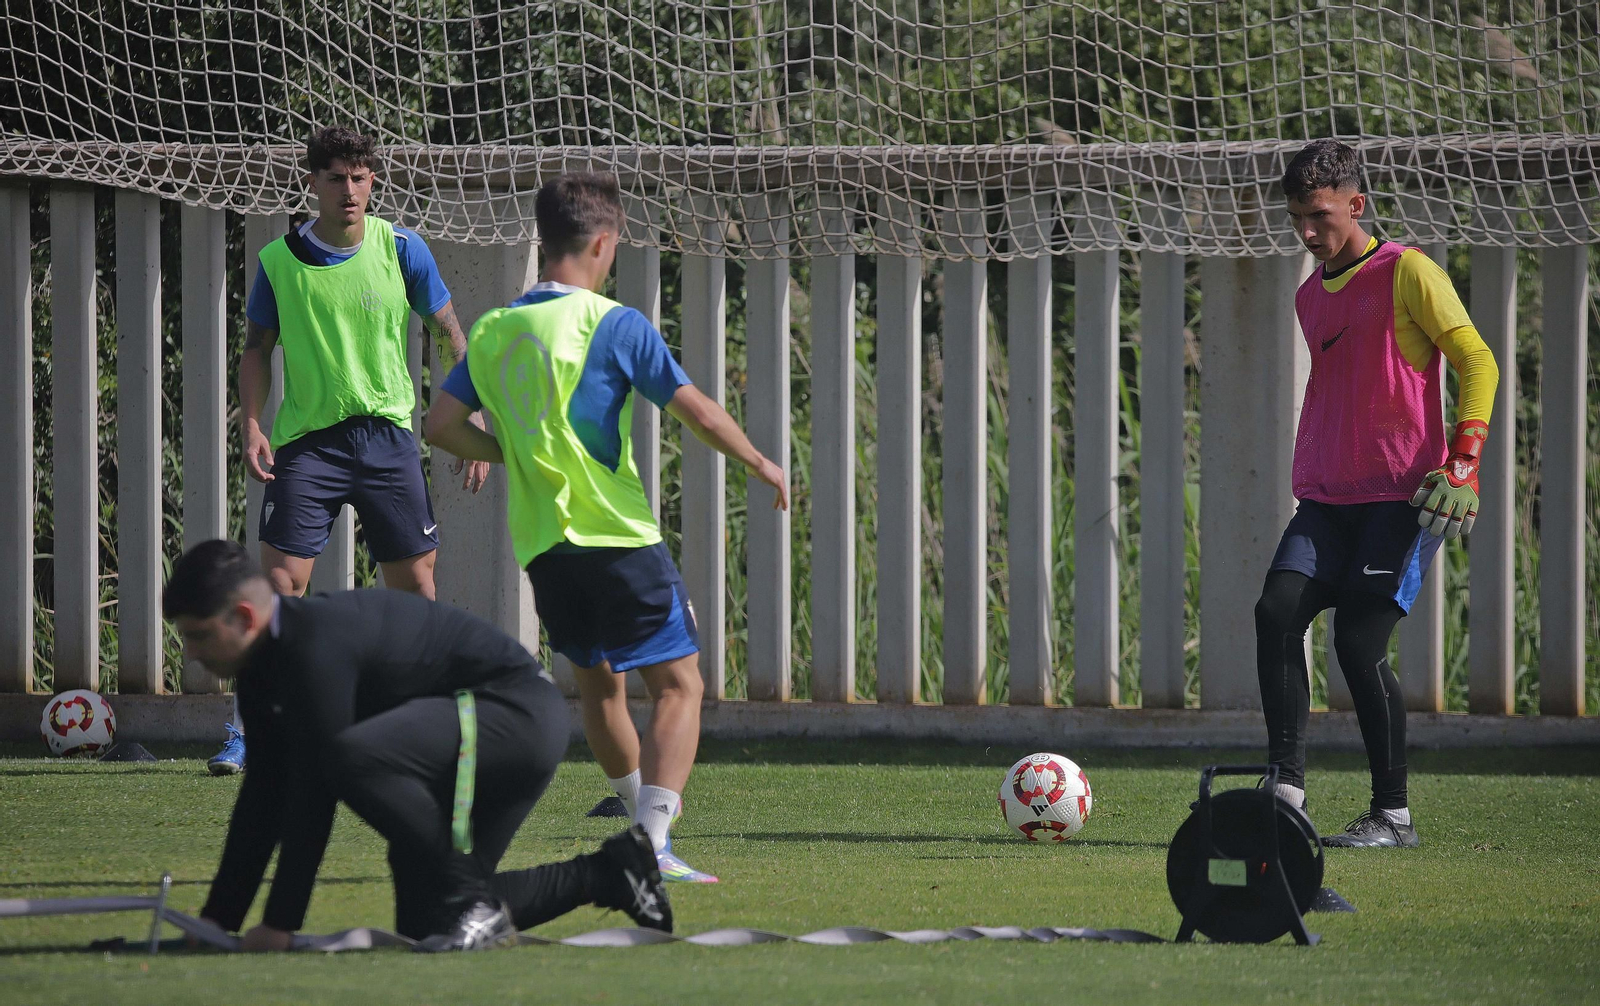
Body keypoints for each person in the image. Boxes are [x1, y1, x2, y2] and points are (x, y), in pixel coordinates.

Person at [425, 171, 788, 884]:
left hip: (545, 547)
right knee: (681, 684)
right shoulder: (613, 323)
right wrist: (758, 460)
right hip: (618, 536)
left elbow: (440, 425)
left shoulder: (496, 330)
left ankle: (637, 828)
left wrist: (510, 454)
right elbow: (695, 409)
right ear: (602, 242)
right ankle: (651, 842)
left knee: (600, 689)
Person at [164, 539, 671, 952]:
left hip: (512, 715)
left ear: (247, 618)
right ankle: (611, 871)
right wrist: (216, 922)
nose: (193, 654)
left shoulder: (312, 647)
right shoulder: (260, 672)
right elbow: (263, 797)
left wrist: (279, 924)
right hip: (478, 729)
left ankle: (467, 893)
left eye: (200, 636)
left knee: (347, 758)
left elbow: (315, 792)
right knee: (431, 921)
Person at [211, 125, 490, 775]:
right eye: (335, 177)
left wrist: (471, 411)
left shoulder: (403, 249)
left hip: (388, 441)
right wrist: (252, 424)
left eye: (360, 178)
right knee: (280, 588)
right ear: (312, 182)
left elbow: (454, 336)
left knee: (415, 588)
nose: (349, 190)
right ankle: (251, 730)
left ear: (374, 183)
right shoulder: (279, 261)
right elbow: (256, 350)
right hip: (308, 445)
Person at [1257, 139, 1499, 848]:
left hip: (1397, 499)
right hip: (1325, 500)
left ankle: (1393, 817)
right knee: (1276, 613)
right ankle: (1285, 791)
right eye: (1298, 217)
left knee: (1358, 646)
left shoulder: (1408, 271)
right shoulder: (1309, 294)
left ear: (1355, 205)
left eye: (1320, 216)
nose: (1307, 232)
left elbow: (1476, 359)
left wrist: (1464, 461)